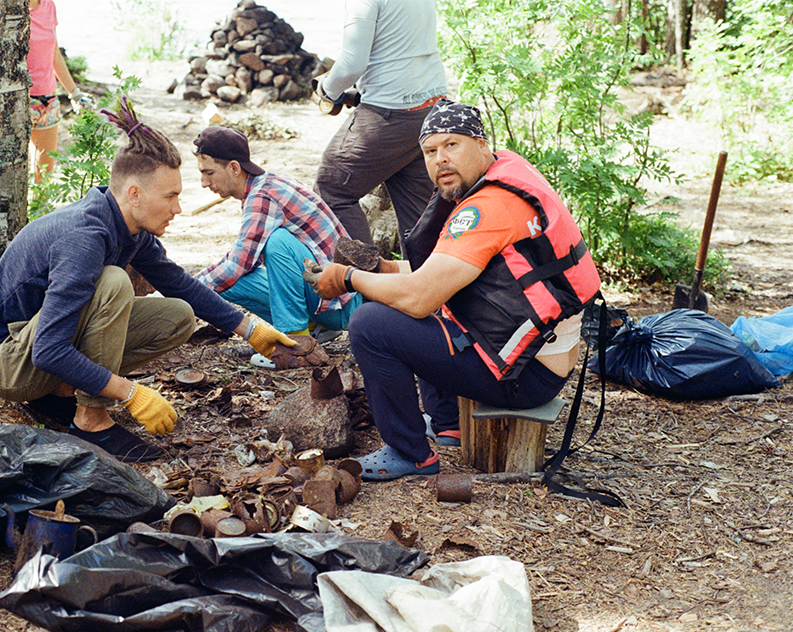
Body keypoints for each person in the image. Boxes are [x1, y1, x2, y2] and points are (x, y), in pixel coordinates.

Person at [0, 98, 295, 462]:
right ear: (134, 194)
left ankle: (60, 394)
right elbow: (49, 348)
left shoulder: (128, 225)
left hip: (38, 350)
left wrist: (251, 330)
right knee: (113, 284)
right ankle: (90, 419)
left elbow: (178, 283)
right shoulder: (84, 237)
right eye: (170, 197)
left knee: (179, 315)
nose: (178, 208)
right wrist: (130, 393)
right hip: (9, 362)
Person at [304, 100, 601, 481]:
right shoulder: (503, 175)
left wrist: (347, 279)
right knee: (422, 304)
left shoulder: (487, 208)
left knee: (370, 323)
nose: (440, 159)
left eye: (452, 145)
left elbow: (419, 296)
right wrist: (384, 269)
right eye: (430, 151)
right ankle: (448, 425)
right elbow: (445, 274)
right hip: (533, 361)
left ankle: (410, 453)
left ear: (481, 144)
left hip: (525, 379)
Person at [191, 126, 361, 339]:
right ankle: (316, 329)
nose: (204, 183)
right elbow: (242, 262)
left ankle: (295, 337)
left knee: (276, 242)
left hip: (338, 304)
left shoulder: (262, 196)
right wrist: (190, 285)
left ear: (234, 168)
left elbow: (236, 265)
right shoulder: (265, 183)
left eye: (209, 173)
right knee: (227, 284)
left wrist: (185, 290)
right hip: (325, 297)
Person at [312, 0, 449, 252]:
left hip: (391, 114)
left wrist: (327, 89)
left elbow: (352, 65)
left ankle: (367, 282)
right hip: (431, 110)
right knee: (418, 217)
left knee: (331, 190)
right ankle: (425, 285)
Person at [28, 0, 93, 182]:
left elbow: (54, 54)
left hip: (48, 101)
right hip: (19, 101)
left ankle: (41, 212)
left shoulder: (49, 6)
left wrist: (75, 93)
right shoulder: (10, 9)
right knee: (15, 174)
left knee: (44, 176)